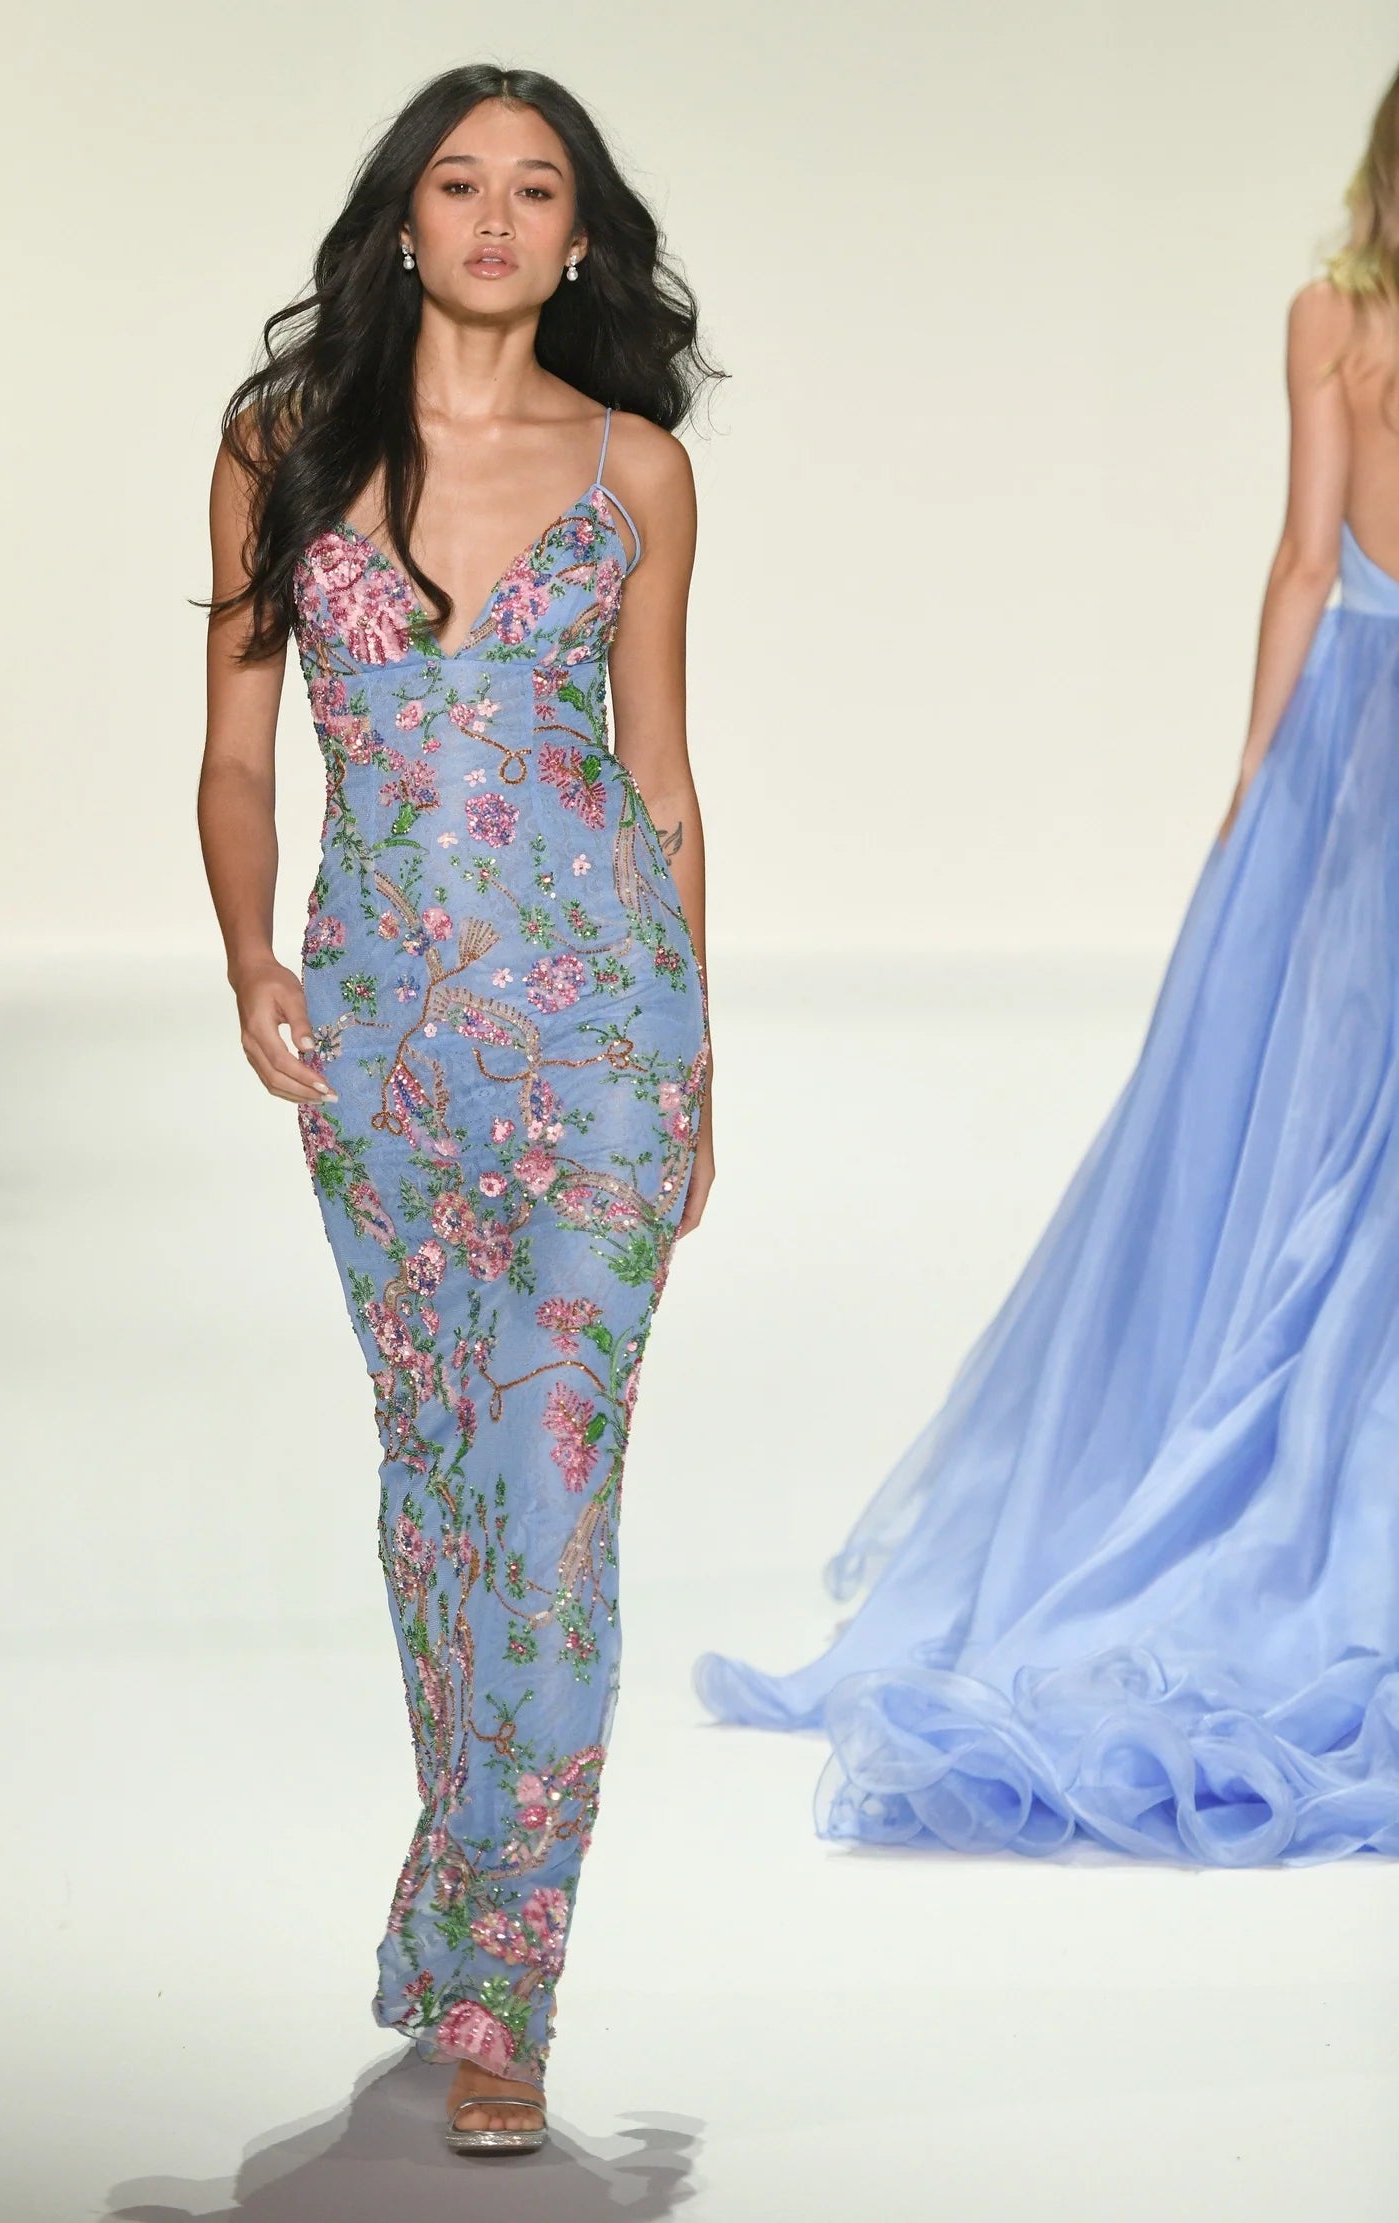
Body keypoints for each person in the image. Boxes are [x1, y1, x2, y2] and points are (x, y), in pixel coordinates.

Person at [697, 67, 1399, 1869]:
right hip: (1358, 760)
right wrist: (1256, 791)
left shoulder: (1333, 316)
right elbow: (1302, 562)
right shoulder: (1331, 316)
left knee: (1314, 1135)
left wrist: (1257, 786)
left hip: (1354, 744)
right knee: (1348, 1148)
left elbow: (1303, 563)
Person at [198, 65, 716, 2155]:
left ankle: (508, 1984)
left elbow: (658, 778)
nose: (495, 216)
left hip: (602, 1048)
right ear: (401, 221)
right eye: (457, 181)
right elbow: (241, 749)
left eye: (538, 188)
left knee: (553, 1493)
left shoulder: (637, 469)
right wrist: (250, 951)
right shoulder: (282, 448)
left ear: (580, 239)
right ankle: (461, 1880)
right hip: (386, 1049)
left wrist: (698, 1053)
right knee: (440, 1486)